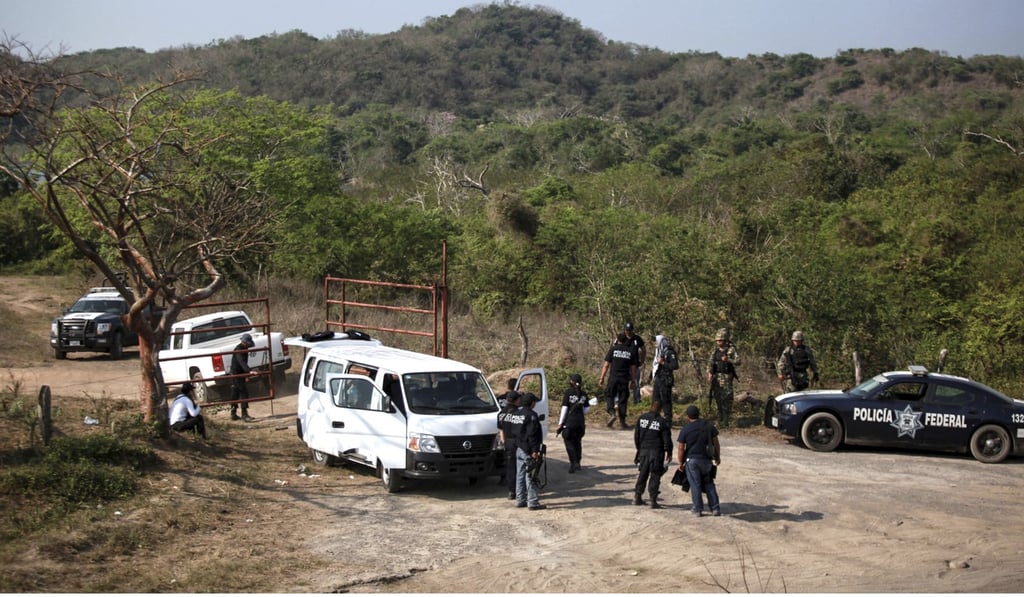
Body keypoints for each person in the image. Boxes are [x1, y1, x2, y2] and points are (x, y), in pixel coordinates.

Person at [676, 405, 721, 517]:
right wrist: (717, 457)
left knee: (695, 485)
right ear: (699, 414)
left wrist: (680, 463)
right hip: (706, 460)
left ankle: (697, 509)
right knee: (709, 483)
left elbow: (681, 447)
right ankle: (715, 508)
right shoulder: (709, 426)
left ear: (688, 416)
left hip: (692, 461)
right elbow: (716, 443)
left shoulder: (686, 429)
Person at [633, 400, 673, 509]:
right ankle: (653, 500)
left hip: (644, 451)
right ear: (660, 410)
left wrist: (638, 449)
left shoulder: (642, 418)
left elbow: (637, 435)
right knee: (655, 475)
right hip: (657, 452)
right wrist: (669, 452)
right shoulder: (662, 422)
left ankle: (637, 496)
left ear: (651, 407)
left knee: (643, 474)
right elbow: (667, 439)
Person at [598, 332, 637, 429]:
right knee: (623, 400)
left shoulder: (613, 349)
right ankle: (623, 422)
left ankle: (612, 412)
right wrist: (633, 381)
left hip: (613, 378)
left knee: (609, 394)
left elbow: (606, 365)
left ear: (617, 340)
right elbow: (633, 369)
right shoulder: (630, 352)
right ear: (626, 340)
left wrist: (602, 377)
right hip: (624, 379)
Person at [515, 392, 546, 510]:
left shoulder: (517, 414)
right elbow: (532, 434)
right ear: (532, 403)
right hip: (528, 450)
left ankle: (520, 499)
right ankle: (532, 502)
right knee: (531, 475)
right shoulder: (531, 415)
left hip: (519, 448)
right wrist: (534, 450)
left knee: (520, 474)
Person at [556, 373, 590, 473]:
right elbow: (587, 409)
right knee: (577, 442)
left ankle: (573, 462)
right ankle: (578, 463)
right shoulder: (584, 394)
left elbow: (564, 408)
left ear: (571, 382)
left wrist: (560, 423)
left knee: (568, 441)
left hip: (570, 422)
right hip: (580, 423)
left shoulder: (568, 393)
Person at [707, 328, 740, 426]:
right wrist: (709, 373)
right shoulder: (715, 350)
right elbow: (710, 362)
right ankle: (720, 417)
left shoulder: (731, 349)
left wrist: (728, 360)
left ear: (725, 340)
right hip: (716, 377)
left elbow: (738, 361)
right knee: (718, 398)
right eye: (717, 340)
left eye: (720, 340)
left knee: (727, 398)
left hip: (726, 377)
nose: (718, 342)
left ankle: (726, 419)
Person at [497, 390, 522, 499]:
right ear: (516, 400)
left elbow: (501, 430)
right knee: (520, 468)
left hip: (507, 442)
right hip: (518, 442)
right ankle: (520, 491)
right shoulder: (518, 413)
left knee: (510, 467)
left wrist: (504, 442)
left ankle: (511, 491)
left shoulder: (501, 414)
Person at [650, 334, 679, 427]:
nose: (655, 344)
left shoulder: (670, 352)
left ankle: (668, 420)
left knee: (665, 400)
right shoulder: (658, 352)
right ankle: (654, 418)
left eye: (656, 341)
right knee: (655, 399)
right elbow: (655, 366)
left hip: (666, 379)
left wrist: (663, 362)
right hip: (658, 378)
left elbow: (675, 366)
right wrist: (650, 376)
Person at [230, 333, 256, 421]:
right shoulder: (238, 350)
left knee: (235, 393)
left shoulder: (244, 348)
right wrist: (249, 371)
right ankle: (244, 415)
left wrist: (246, 373)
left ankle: (233, 413)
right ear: (244, 342)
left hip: (238, 373)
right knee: (243, 393)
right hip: (236, 374)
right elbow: (242, 362)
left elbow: (243, 362)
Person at [624, 322, 646, 405]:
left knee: (636, 383)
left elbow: (643, 349)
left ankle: (637, 401)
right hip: (624, 366)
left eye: (630, 330)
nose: (628, 332)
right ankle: (623, 400)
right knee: (623, 383)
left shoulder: (637, 338)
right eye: (627, 330)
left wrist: (642, 360)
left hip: (635, 365)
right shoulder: (622, 338)